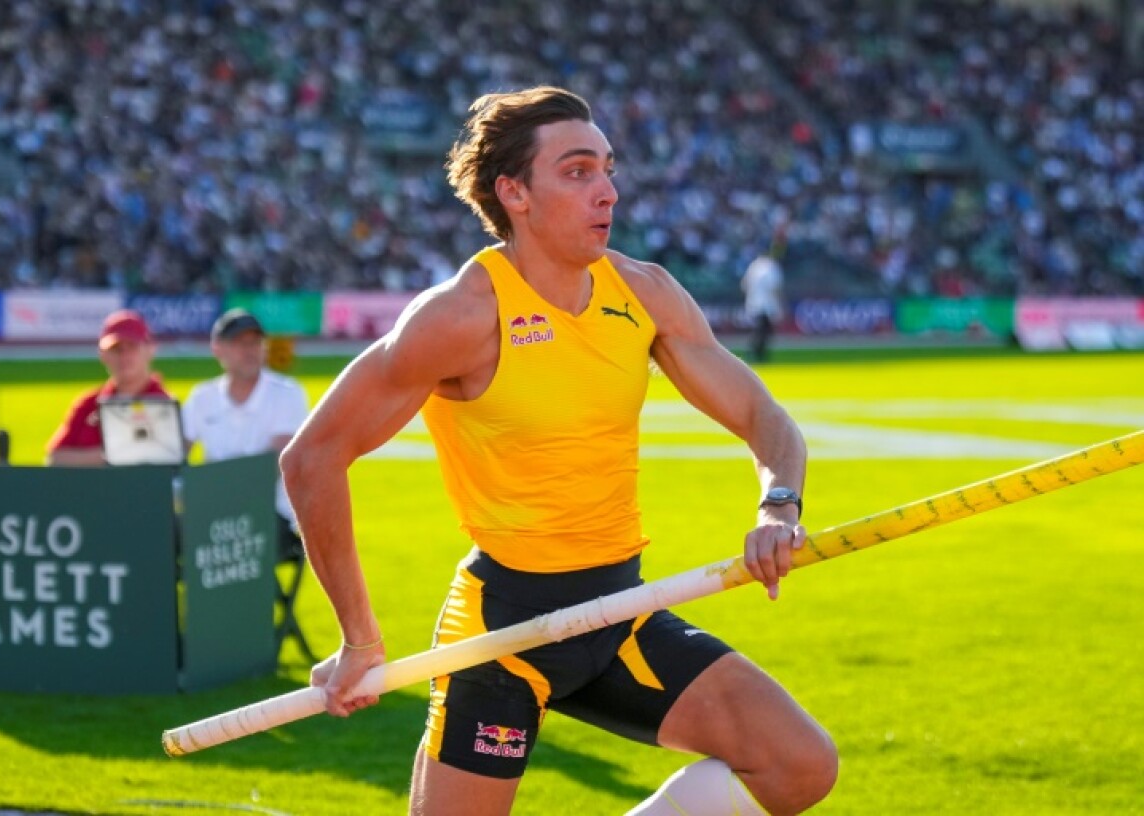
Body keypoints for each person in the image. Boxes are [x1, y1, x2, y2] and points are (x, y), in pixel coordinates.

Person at [280, 87, 836, 816]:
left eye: (608, 169)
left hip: (622, 608)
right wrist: (359, 639)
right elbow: (311, 457)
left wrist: (778, 504)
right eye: (578, 172)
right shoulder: (461, 316)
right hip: (503, 631)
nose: (607, 191)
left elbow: (763, 414)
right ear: (515, 192)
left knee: (799, 767)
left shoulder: (644, 293)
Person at [182, 308, 310, 562]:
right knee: (160, 535)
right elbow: (175, 454)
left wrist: (205, 483)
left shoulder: (287, 393)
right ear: (217, 348)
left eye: (255, 342)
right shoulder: (202, 397)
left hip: (271, 514)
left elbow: (274, 466)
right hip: (211, 513)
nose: (250, 350)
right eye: (240, 343)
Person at [46, 309, 172, 466]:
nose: (124, 356)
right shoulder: (88, 403)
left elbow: (169, 458)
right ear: (102, 354)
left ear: (150, 349)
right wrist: (113, 455)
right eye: (116, 349)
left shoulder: (164, 405)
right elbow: (55, 458)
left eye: (132, 347)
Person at [741, 247, 786, 364]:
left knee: (760, 330)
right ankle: (758, 354)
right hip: (767, 304)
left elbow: (744, 285)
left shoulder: (754, 266)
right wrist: (779, 304)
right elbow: (775, 288)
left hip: (753, 302)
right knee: (764, 331)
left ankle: (756, 353)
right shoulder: (772, 267)